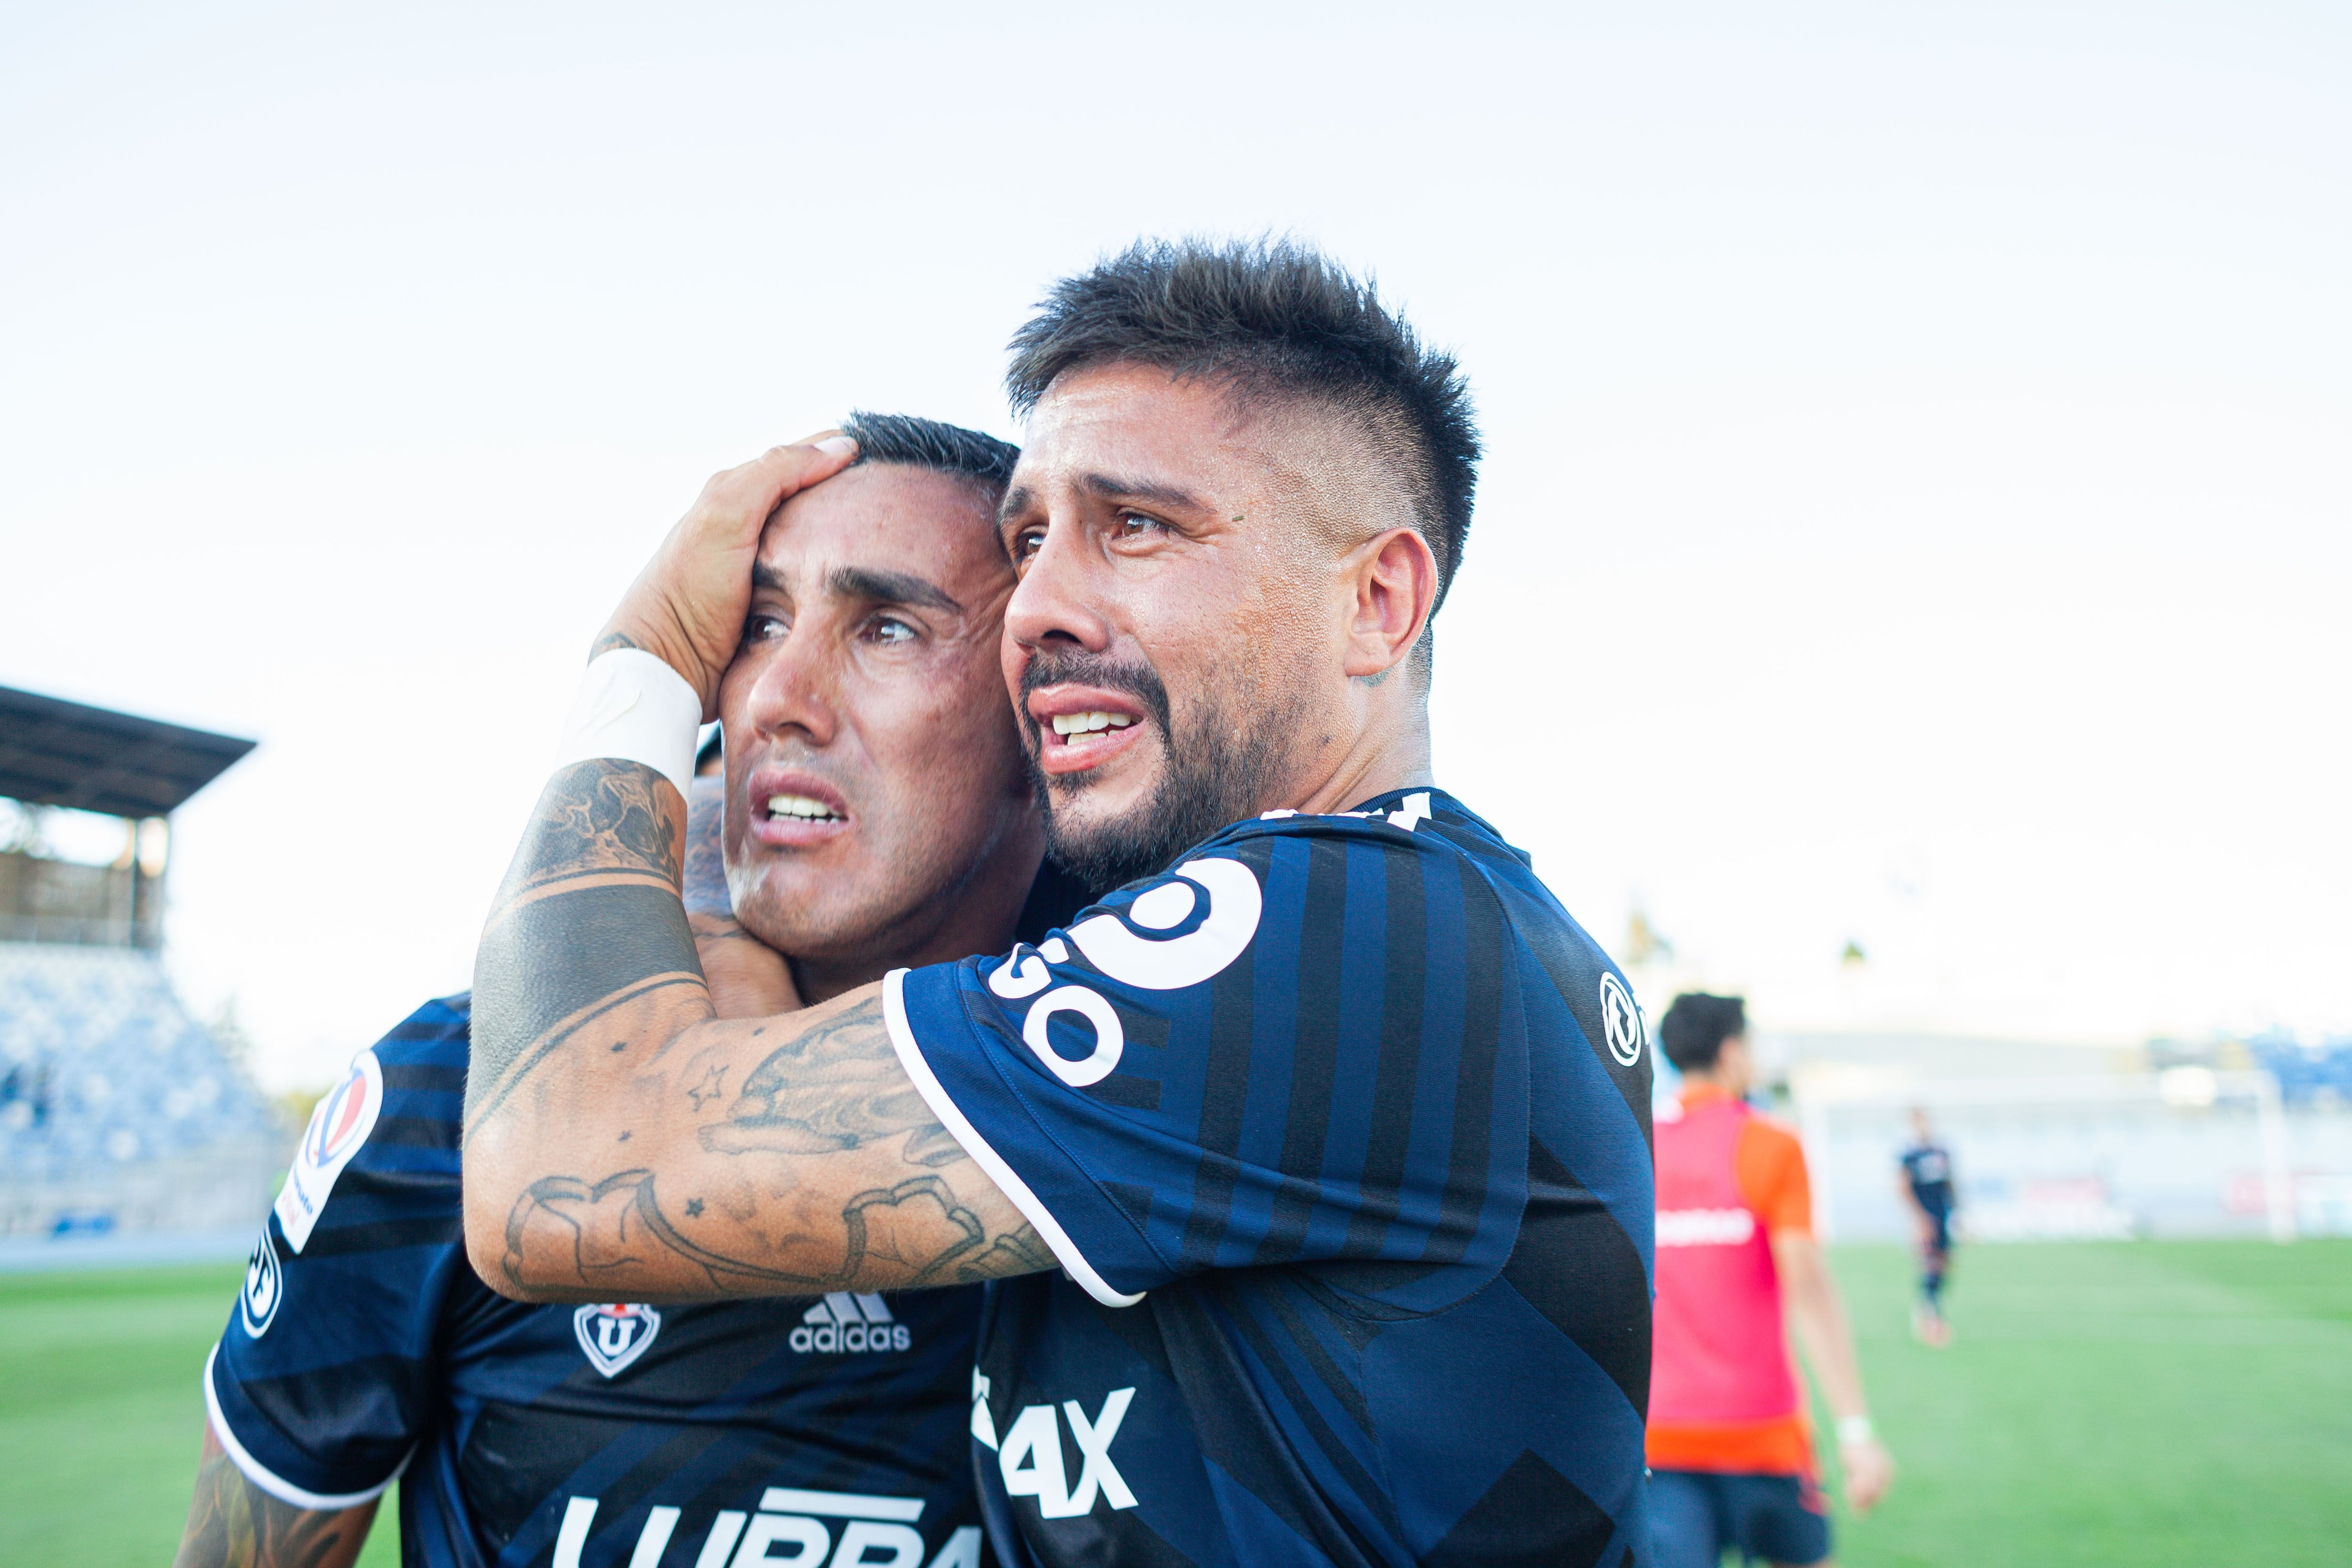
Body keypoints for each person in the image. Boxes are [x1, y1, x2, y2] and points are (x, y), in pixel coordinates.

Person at [461, 239, 1658, 1567]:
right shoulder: (1378, 935)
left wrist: (641, 662)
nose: (1036, 604)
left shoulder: (1353, 935)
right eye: (1030, 538)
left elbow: (557, 1169)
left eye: (1136, 525)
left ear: (1376, 601)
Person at [175, 413, 1075, 1568]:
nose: (773, 700)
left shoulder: (1139, 1088)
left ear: (1040, 716)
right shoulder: (442, 1098)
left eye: (887, 627)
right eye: (756, 626)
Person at [1645, 993, 1895, 1568]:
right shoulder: (1771, 1144)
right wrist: (1855, 1430)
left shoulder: (1638, 1148)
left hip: (1658, 1438)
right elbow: (1808, 1288)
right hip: (1760, 1434)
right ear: (1732, 1052)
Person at [1896, 1107, 1956, 1346]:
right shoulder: (1909, 1155)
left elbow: (1950, 1182)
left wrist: (1958, 1212)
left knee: (1945, 1262)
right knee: (1928, 1261)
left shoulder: (1941, 1151)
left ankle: (1933, 1304)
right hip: (1925, 1216)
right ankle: (1928, 1314)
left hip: (1943, 1214)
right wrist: (1918, 1217)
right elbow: (1902, 1187)